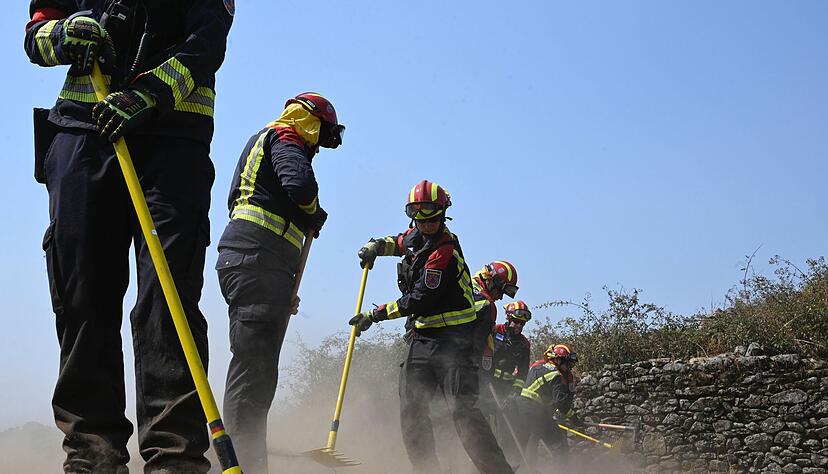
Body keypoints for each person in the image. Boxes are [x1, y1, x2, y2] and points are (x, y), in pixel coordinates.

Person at [25, 1, 232, 472]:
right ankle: (93, 454)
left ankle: (175, 458)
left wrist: (149, 94)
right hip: (83, 134)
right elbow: (35, 32)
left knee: (168, 303)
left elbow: (205, 45)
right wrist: (62, 34)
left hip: (172, 142)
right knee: (82, 297)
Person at [215, 92, 343, 473]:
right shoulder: (286, 139)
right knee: (253, 371)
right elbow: (300, 186)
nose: (318, 148)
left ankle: (247, 458)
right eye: (321, 137)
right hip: (257, 261)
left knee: (258, 370)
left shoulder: (263, 141)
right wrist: (313, 211)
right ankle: (238, 462)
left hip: (257, 264)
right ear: (311, 122)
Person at [350, 180, 514, 474]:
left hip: (455, 341)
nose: (426, 226)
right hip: (423, 339)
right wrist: (375, 245)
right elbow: (398, 242)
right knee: (411, 409)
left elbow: (421, 299)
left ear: (443, 215)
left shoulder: (445, 250)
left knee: (463, 413)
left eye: (433, 220)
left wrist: (375, 315)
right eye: (420, 220)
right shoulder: (417, 234)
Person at [479, 301, 532, 462]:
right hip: (486, 383)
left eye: (522, 323)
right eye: (517, 321)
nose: (519, 326)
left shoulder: (524, 344)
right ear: (509, 318)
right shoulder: (494, 331)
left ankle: (505, 463)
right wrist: (482, 378)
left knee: (508, 428)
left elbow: (523, 372)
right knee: (481, 423)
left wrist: (514, 394)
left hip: (505, 389)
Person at [514, 343, 581, 469]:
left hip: (521, 409)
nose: (569, 368)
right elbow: (561, 403)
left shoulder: (537, 367)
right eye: (568, 363)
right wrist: (574, 418)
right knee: (557, 442)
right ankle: (563, 470)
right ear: (558, 360)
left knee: (527, 444)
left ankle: (520, 469)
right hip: (535, 412)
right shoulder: (556, 375)